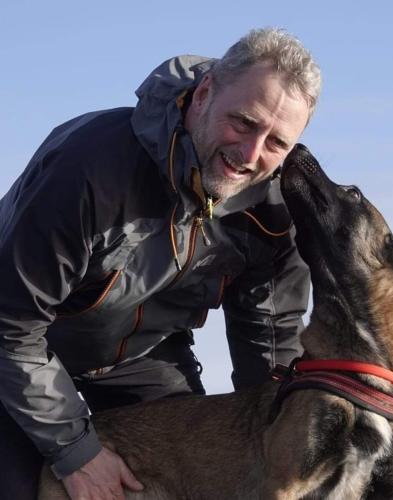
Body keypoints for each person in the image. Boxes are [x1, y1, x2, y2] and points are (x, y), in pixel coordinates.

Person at [0, 28, 321, 500]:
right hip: (20, 346)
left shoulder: (274, 211)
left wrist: (275, 451)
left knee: (207, 475)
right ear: (205, 92)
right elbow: (11, 323)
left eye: (276, 142)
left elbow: (268, 355)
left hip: (142, 357)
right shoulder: (88, 170)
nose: (251, 156)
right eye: (244, 122)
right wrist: (77, 453)